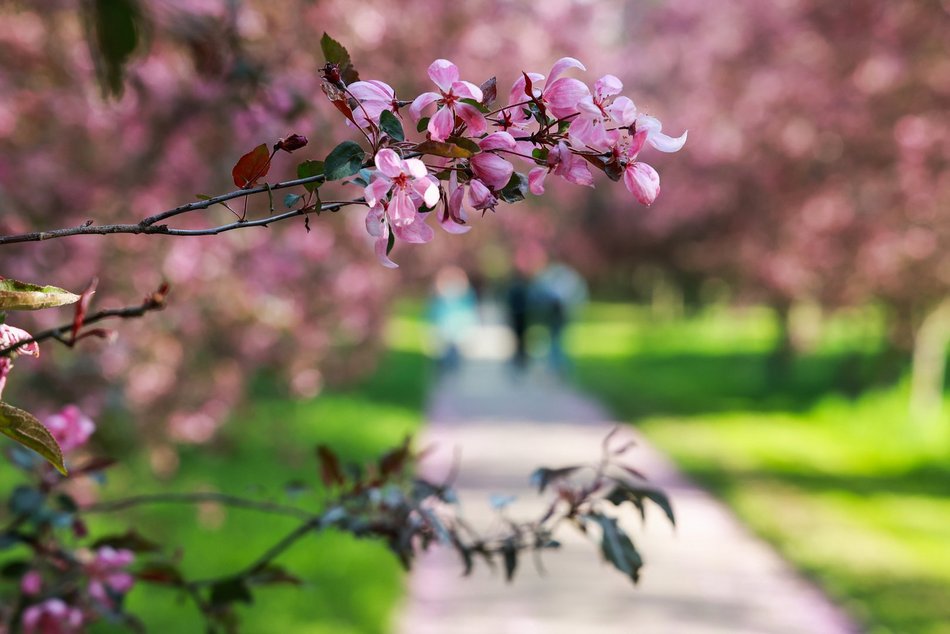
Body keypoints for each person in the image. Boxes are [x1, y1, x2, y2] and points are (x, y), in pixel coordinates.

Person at [427, 266, 479, 371]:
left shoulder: (462, 293)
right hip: (446, 326)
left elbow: (469, 307)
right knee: (446, 349)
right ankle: (447, 365)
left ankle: (449, 366)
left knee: (452, 349)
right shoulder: (443, 293)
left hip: (455, 327)